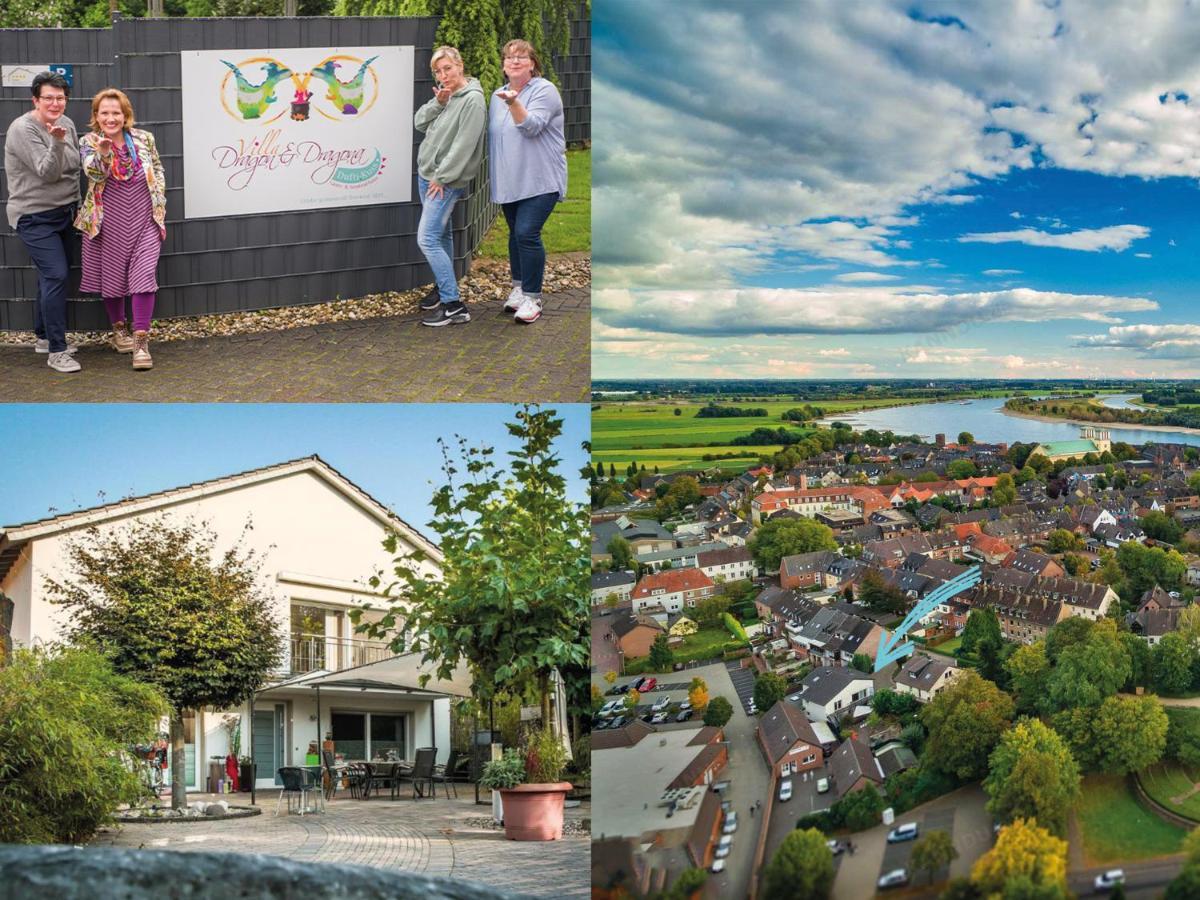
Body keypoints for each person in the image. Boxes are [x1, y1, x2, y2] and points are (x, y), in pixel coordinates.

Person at [74, 88, 166, 370]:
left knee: (144, 275)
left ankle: (141, 342)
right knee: (112, 279)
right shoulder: (88, 141)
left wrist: (160, 200)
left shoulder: (143, 138)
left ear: (125, 115)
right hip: (107, 222)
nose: (111, 118)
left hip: (145, 219)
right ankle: (119, 330)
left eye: (116, 113)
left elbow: (158, 169)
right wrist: (103, 154)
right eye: (105, 113)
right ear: (96, 116)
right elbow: (94, 174)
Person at [4, 71, 82, 373]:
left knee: (51, 277)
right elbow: (47, 172)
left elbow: (73, 167)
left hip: (64, 213)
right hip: (34, 217)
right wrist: (57, 143)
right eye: (48, 97)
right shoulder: (23, 129)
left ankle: (43, 338)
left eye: (60, 97)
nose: (55, 103)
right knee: (57, 275)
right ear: (35, 99)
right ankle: (57, 351)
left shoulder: (67, 123)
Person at [488, 39, 568, 324]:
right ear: (504, 65)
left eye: (521, 57)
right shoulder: (497, 95)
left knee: (526, 233)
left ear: (532, 63)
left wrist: (513, 103)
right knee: (514, 235)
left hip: (541, 179)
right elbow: (496, 139)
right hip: (511, 180)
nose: (514, 61)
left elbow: (532, 127)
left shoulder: (544, 91)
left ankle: (533, 298)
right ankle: (519, 289)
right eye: (509, 57)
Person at [414, 47, 487, 328]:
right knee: (442, 236)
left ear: (460, 65)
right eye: (438, 71)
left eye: (447, 68)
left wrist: (442, 178)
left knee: (427, 239)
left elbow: (463, 147)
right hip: (428, 176)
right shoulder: (450, 97)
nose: (443, 75)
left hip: (443, 181)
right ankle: (443, 288)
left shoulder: (472, 102)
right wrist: (438, 102)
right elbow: (420, 122)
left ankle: (454, 305)